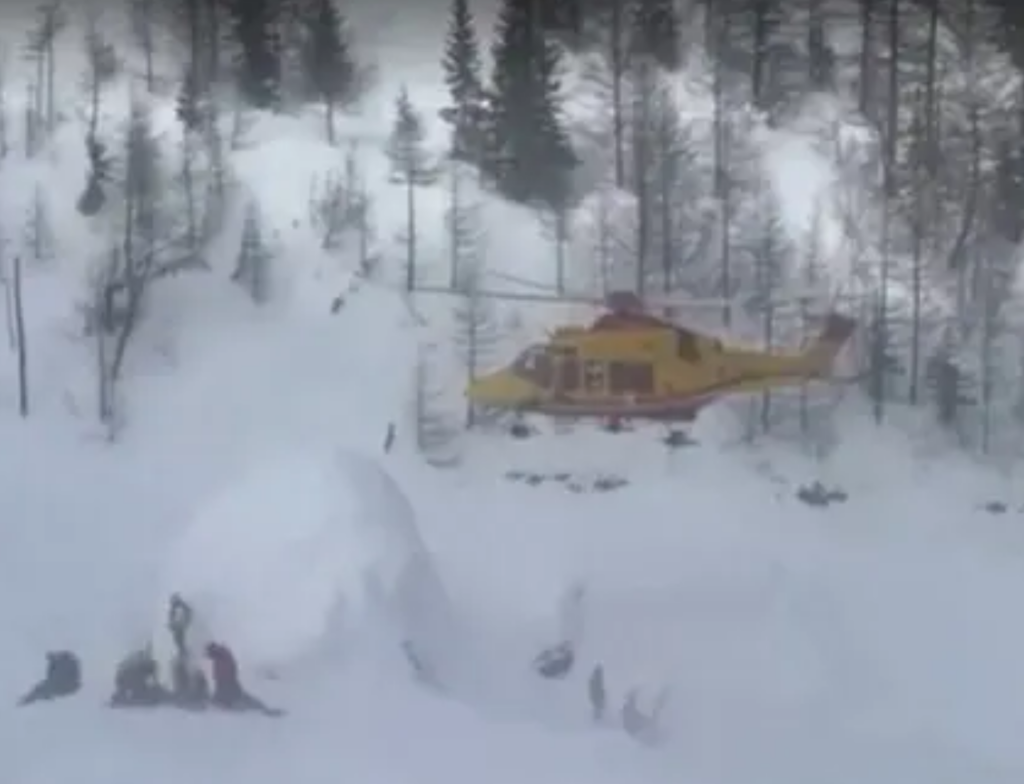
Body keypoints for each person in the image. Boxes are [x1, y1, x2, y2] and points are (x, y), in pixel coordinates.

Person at [205, 642, 284, 717]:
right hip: (225, 683)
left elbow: (228, 668)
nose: (209, 656)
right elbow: (226, 667)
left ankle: (263, 709)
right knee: (231, 699)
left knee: (238, 699)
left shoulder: (221, 654)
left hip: (227, 683)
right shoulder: (220, 655)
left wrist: (224, 679)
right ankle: (263, 708)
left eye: (209, 653)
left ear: (213, 650)